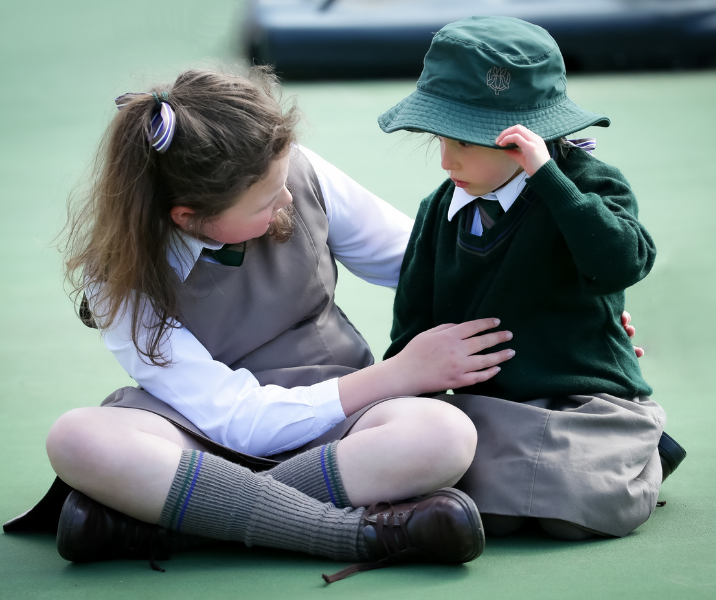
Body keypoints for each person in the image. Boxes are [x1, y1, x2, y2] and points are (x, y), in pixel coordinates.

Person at [4, 68, 520, 582]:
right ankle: (350, 533)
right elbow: (237, 420)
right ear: (188, 217)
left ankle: (180, 521)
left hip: (337, 421)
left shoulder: (294, 171)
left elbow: (422, 264)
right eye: (266, 201)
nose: (288, 200)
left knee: (443, 434)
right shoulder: (114, 274)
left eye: (283, 181)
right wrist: (401, 374)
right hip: (202, 437)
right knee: (77, 438)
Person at [380, 16, 685, 540]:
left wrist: (550, 180)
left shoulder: (589, 184)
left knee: (576, 517)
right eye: (440, 139)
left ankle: (646, 448)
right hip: (492, 406)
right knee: (491, 517)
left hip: (584, 400)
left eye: (468, 142)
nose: (447, 160)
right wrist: (407, 395)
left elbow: (623, 262)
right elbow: (412, 321)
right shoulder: (439, 210)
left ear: (526, 142)